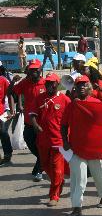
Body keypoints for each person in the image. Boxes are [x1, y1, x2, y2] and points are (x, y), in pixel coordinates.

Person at [62, 75, 102, 216]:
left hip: (95, 147)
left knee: (100, 174)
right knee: (78, 178)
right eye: (79, 85)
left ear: (89, 87)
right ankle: (76, 207)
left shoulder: (96, 102)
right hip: (77, 148)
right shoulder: (71, 106)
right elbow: (64, 125)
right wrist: (65, 141)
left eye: (84, 84)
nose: (82, 87)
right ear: (75, 89)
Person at [29, 73, 71, 206]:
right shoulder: (39, 98)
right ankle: (59, 182)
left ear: (57, 84)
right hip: (42, 140)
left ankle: (54, 195)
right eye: (47, 83)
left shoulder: (64, 99)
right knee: (45, 166)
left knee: (57, 168)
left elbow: (74, 115)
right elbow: (32, 114)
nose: (49, 85)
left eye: (52, 83)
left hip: (58, 140)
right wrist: (35, 125)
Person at [9, 59, 46, 181]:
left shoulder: (46, 83)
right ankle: (43, 163)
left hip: (43, 124)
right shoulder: (25, 83)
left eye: (36, 69)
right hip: (29, 122)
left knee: (42, 147)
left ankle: (39, 170)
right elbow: (12, 92)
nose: (34, 72)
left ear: (40, 70)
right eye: (31, 70)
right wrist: (12, 83)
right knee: (29, 141)